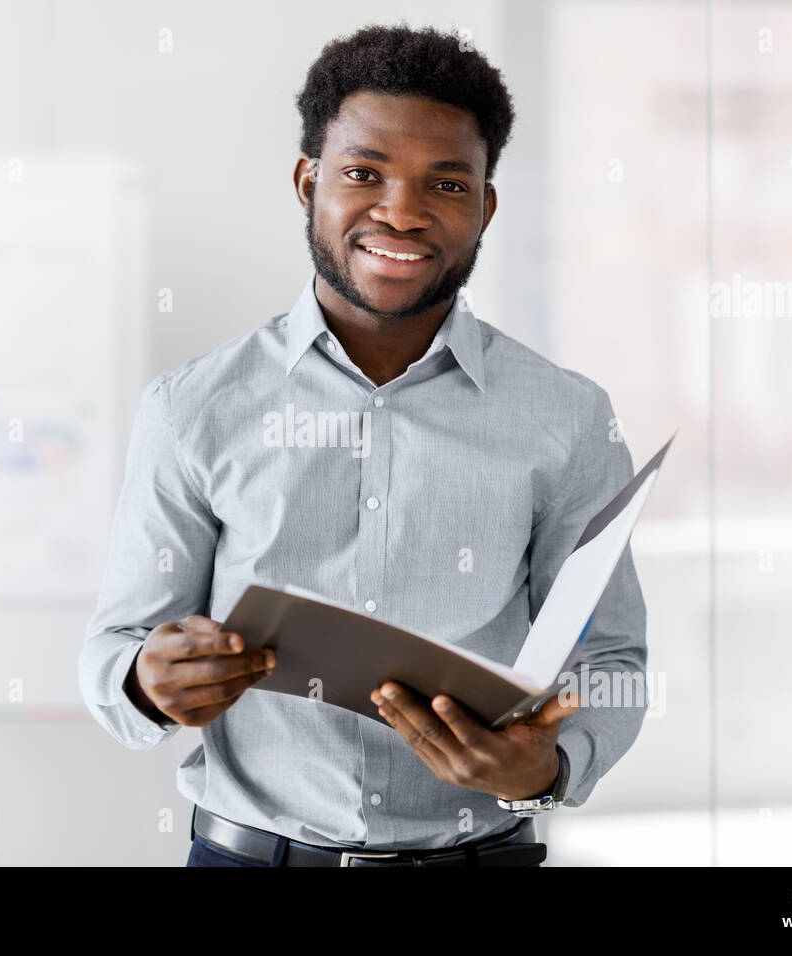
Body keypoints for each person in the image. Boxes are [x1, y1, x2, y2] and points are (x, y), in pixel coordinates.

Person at [78, 23, 648, 867]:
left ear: (485, 206)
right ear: (309, 182)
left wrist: (552, 765)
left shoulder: (565, 417)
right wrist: (147, 683)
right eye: (363, 173)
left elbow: (611, 659)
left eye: (446, 184)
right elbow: (117, 646)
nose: (403, 212)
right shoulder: (194, 408)